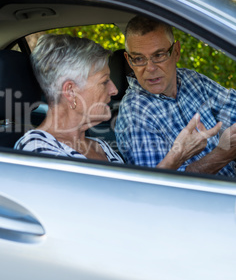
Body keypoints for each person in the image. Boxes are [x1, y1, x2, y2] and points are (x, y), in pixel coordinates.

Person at [15, 34, 220, 169]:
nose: (114, 90)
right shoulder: (37, 150)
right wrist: (177, 156)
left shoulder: (101, 146)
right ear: (70, 91)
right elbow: (117, 212)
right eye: (104, 82)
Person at [115, 15, 236, 176]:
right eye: (138, 58)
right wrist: (222, 155)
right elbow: (161, 188)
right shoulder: (134, 112)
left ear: (176, 52)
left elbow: (232, 107)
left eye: (159, 55)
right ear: (129, 61)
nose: (150, 68)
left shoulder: (192, 80)